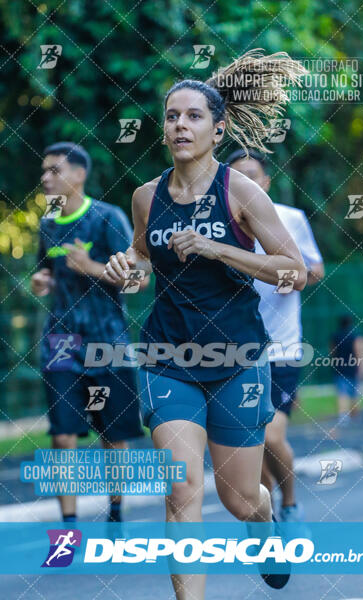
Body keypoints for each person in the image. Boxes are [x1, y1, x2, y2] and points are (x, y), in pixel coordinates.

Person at [104, 49, 307, 598]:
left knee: (240, 497)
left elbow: (295, 271)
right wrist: (130, 267)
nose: (179, 125)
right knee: (181, 492)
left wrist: (221, 249)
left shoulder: (241, 192)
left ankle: (266, 523)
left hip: (236, 358)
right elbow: (146, 258)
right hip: (169, 358)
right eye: (172, 116)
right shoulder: (146, 196)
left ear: (217, 130)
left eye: (193, 116)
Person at [31, 142, 144, 524]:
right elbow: (44, 270)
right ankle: (69, 526)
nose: (45, 178)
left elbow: (139, 281)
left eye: (54, 170)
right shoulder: (47, 223)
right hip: (61, 342)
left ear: (79, 174)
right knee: (62, 436)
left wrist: (92, 267)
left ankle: (115, 513)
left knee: (112, 434)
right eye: (44, 171)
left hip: (108, 340)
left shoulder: (108, 218)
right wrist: (41, 280)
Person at [226, 148, 324, 525]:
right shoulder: (221, 224)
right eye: (238, 177)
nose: (246, 183)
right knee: (248, 447)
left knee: (269, 436)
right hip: (235, 351)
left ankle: (291, 504)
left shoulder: (289, 219)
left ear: (266, 182)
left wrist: (289, 278)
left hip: (281, 349)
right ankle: (269, 511)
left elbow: (313, 270)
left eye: (253, 175)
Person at [330, 314, 363, 429]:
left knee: (342, 393)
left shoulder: (335, 335)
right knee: (354, 393)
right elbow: (360, 352)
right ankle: (355, 416)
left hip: (339, 366)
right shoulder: (356, 336)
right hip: (353, 367)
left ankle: (343, 416)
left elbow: (333, 351)